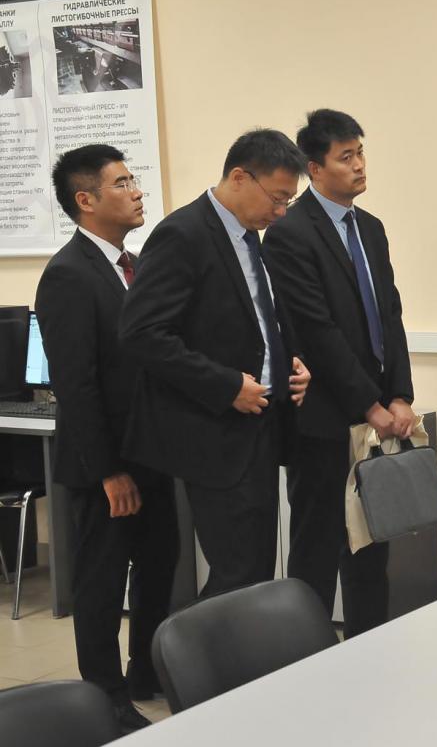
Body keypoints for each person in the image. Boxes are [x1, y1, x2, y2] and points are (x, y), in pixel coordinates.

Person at [120, 129, 311, 597]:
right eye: (278, 198)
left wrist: (292, 365)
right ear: (240, 178)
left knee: (256, 571)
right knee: (237, 575)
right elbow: (142, 333)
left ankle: (245, 646)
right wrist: (226, 386)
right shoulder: (183, 234)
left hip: (261, 424)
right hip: (215, 431)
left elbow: (257, 320)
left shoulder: (250, 237)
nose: (281, 212)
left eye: (288, 201)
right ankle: (202, 647)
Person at [36, 145, 178, 733]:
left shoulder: (134, 266)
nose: (137, 191)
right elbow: (76, 384)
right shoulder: (69, 274)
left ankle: (146, 671)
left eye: (133, 179)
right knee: (101, 582)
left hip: (151, 453)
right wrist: (109, 472)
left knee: (160, 565)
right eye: (122, 183)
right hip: (105, 466)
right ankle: (105, 698)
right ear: (86, 200)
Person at [261, 109, 415, 635]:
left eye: (360, 153)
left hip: (378, 417)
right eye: (345, 157)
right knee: (318, 549)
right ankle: (306, 653)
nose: (359, 165)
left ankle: (372, 647)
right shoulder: (290, 233)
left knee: (373, 547)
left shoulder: (370, 228)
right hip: (324, 421)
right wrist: (367, 404)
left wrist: (399, 395)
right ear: (315, 168)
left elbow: (390, 315)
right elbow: (316, 331)